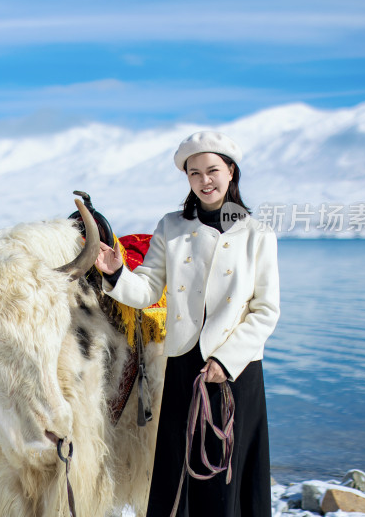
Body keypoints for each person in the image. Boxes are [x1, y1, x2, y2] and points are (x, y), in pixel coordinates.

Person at [95, 131, 280, 517]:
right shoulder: (171, 227)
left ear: (231, 171)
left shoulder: (258, 235)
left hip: (236, 370)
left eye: (212, 170)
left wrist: (226, 362)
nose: (204, 180)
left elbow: (265, 311)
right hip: (183, 365)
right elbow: (146, 289)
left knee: (227, 475)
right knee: (177, 473)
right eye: (194, 173)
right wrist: (116, 274)